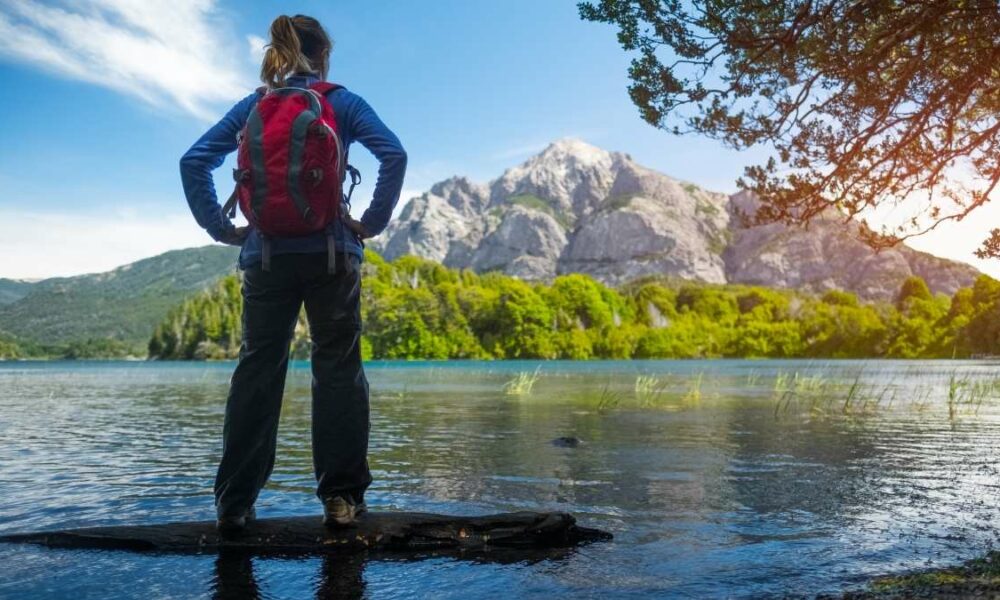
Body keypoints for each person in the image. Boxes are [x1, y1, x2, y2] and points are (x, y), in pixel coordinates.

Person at [179, 14, 407, 532]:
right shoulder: (342, 101)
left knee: (257, 372)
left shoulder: (254, 106)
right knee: (338, 372)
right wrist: (368, 222)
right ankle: (342, 501)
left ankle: (234, 504)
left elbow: (193, 162)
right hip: (332, 256)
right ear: (323, 55)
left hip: (265, 256)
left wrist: (222, 227)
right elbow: (394, 154)